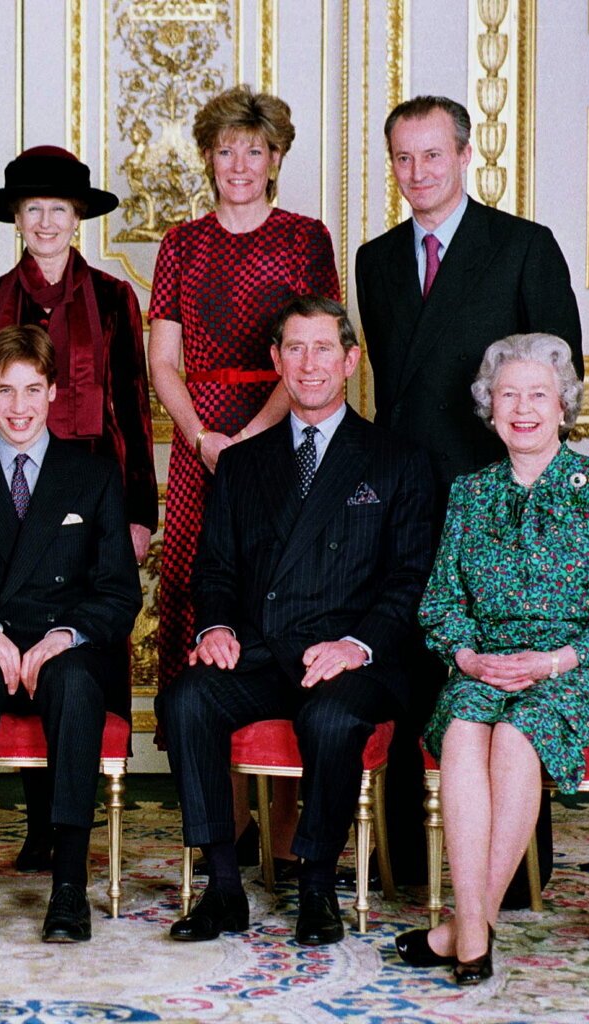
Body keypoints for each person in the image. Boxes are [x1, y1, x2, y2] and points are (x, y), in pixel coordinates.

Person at [354, 94, 583, 897]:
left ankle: (508, 877)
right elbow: (389, 395)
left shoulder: (523, 247)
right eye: (403, 158)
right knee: (415, 664)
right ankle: (411, 868)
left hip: (502, 508)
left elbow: (557, 389)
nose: (417, 173)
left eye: (432, 155)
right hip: (405, 503)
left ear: (464, 155)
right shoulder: (375, 259)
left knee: (506, 676)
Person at [157, 295, 435, 945]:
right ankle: (223, 887)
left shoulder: (397, 460)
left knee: (332, 716)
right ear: (277, 359)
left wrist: (355, 645)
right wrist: (215, 628)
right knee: (186, 701)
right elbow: (215, 569)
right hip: (262, 649)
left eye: (324, 349)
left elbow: (410, 579)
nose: (310, 364)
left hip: (354, 657)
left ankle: (316, 886)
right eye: (296, 349)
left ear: (350, 361)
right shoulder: (242, 463)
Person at [396, 334, 589, 984]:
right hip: (489, 664)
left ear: (563, 405)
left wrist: (555, 661)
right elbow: (441, 602)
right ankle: (474, 931)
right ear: (490, 406)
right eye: (508, 394)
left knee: (516, 734)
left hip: (581, 672)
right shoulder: (470, 494)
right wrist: (469, 656)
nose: (523, 407)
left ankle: (465, 929)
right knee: (462, 726)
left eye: (538, 394)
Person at [148, 84, 341, 871]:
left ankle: (291, 827)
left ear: (275, 160)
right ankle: (218, 824)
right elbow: (162, 359)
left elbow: (316, 351)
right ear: (207, 158)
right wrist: (200, 437)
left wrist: (251, 439)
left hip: (280, 428)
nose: (238, 163)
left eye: (253, 150)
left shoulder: (304, 237)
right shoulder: (182, 243)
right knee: (204, 602)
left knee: (282, 597)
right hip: (201, 441)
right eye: (224, 149)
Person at [0, 145, 157, 872]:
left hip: (91, 508)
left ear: (78, 219)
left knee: (72, 652)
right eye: (33, 209)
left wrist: (138, 512)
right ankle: (30, 826)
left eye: (60, 210)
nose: (46, 222)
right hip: (7, 501)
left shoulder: (113, 298)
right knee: (11, 646)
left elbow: (133, 407)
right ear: (17, 219)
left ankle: (64, 827)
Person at [0, 325, 142, 945]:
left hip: (63, 650)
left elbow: (121, 593)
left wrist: (63, 635)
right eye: (6, 390)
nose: (20, 407)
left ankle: (68, 884)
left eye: (33, 390)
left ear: (54, 392)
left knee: (73, 682)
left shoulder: (91, 477)